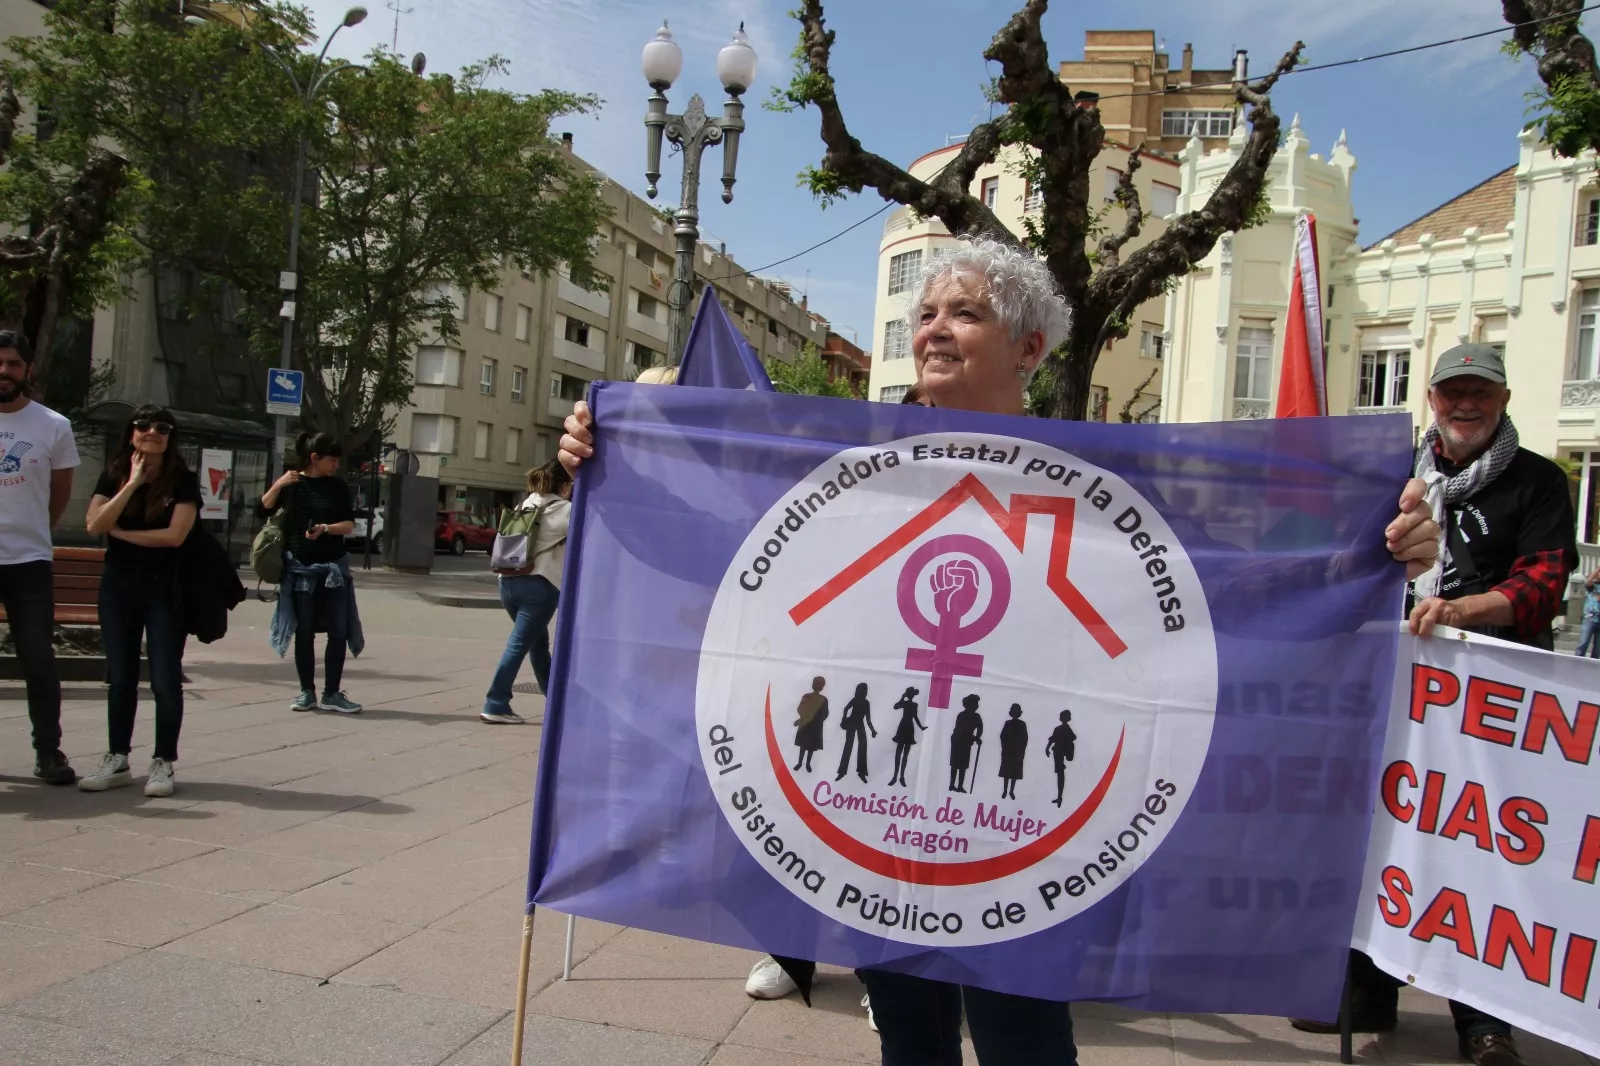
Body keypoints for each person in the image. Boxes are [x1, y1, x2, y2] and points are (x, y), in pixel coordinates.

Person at [559, 237, 1442, 1066]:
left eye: (964, 312)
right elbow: (721, 556)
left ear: (1028, 349)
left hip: (1025, 839)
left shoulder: (1102, 488)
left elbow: (1226, 590)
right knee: (910, 1041)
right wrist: (609, 472)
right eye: (926, 313)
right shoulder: (858, 472)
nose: (934, 328)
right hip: (879, 828)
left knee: (1025, 1041)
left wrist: (1367, 556)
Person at [1293, 342, 1574, 1066]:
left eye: (1480, 392)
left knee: (1478, 850)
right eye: (1453, 392)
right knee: (1376, 836)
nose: (1465, 404)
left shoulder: (1540, 481)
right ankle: (1368, 992)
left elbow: (1543, 584)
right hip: (1393, 686)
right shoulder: (1393, 478)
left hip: (1493, 702)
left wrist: (1459, 611)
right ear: (1432, 400)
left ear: (1503, 400)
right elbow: (1347, 562)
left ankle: (1484, 1022)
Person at [77, 406, 200, 796]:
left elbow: (174, 536)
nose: (152, 432)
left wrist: (123, 535)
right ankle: (117, 758)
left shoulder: (183, 480)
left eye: (162, 428)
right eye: (143, 426)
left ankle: (163, 762)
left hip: (164, 588)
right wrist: (131, 484)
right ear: (131, 433)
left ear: (170, 437)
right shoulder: (114, 473)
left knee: (165, 679)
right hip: (118, 587)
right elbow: (95, 524)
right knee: (120, 678)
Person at [0, 330, 79, 786]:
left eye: (13, 363)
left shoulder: (53, 425)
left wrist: (33, 529)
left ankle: (48, 752)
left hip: (28, 562)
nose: (4, 371)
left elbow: (59, 495)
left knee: (38, 658)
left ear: (27, 369)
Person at [259, 431, 364, 714]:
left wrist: (325, 528)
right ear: (315, 458)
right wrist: (279, 483)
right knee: (304, 632)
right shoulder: (292, 485)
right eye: (332, 460)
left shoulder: (337, 486)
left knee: (338, 632)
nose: (336, 465)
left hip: (333, 570)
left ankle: (332, 693)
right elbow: (262, 508)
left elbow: (348, 524)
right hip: (300, 570)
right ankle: (307, 691)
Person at [482, 459, 571, 724]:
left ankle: (557, 702)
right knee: (520, 644)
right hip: (539, 586)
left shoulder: (525, 504)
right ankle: (495, 703)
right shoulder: (566, 511)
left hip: (507, 582)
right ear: (565, 486)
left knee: (537, 644)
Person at [835, 682, 876, 783]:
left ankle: (845, 772)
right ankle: (854, 772)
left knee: (852, 746)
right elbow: (868, 719)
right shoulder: (863, 702)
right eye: (865, 690)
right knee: (856, 747)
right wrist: (872, 730)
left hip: (855, 723)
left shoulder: (860, 701)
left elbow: (846, 709)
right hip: (855, 723)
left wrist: (844, 718)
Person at [887, 686, 924, 787]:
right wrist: (902, 697)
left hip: (908, 728)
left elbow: (915, 717)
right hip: (903, 727)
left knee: (904, 755)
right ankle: (895, 776)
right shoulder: (905, 703)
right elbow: (895, 706)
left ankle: (901, 777)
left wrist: (921, 727)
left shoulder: (914, 704)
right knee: (899, 753)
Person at [948, 693, 983, 794]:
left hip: (966, 743)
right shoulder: (961, 715)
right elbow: (961, 730)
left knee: (963, 766)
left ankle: (960, 786)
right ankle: (951, 785)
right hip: (957, 741)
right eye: (975, 703)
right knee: (955, 765)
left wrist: (977, 737)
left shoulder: (976, 717)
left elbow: (980, 728)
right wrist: (975, 738)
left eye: (976, 704)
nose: (976, 706)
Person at [792, 675, 829, 772]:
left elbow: (825, 713)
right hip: (809, 725)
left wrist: (811, 718)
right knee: (805, 745)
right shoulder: (809, 697)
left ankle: (806, 763)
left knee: (809, 746)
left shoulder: (821, 699)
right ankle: (802, 763)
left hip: (812, 725)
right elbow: (800, 709)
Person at [1044, 710, 1075, 807]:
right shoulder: (1059, 729)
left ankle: (1060, 797)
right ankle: (1059, 797)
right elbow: (1052, 739)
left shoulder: (1063, 729)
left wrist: (1047, 748)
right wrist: (1047, 748)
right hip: (1058, 752)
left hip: (1059, 752)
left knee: (1060, 774)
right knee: (1060, 773)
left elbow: (1071, 738)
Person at [997, 704, 1028, 800]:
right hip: (1008, 751)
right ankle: (1005, 790)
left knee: (1014, 773)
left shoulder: (1022, 724)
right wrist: (1005, 746)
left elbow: (1025, 738)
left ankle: (1011, 791)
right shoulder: (1008, 723)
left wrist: (1021, 749)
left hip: (1017, 752)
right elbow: (1002, 736)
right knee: (1007, 773)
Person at [1575, 565, 1600, 657]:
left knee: (1597, 649)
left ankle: (1593, 665)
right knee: (1583, 643)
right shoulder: (1593, 586)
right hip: (1589, 619)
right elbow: (1588, 581)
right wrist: (1598, 569)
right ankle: (1577, 662)